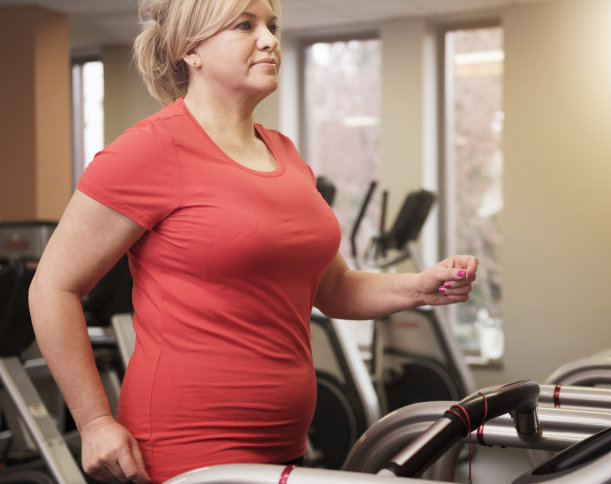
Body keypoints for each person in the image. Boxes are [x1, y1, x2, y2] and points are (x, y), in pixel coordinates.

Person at [28, 0, 478, 482]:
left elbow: (333, 288)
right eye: (245, 25)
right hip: (186, 449)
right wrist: (95, 422)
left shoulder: (284, 152)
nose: (269, 40)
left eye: (272, 25)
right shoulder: (150, 150)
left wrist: (419, 288)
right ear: (190, 50)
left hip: (284, 444)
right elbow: (52, 288)